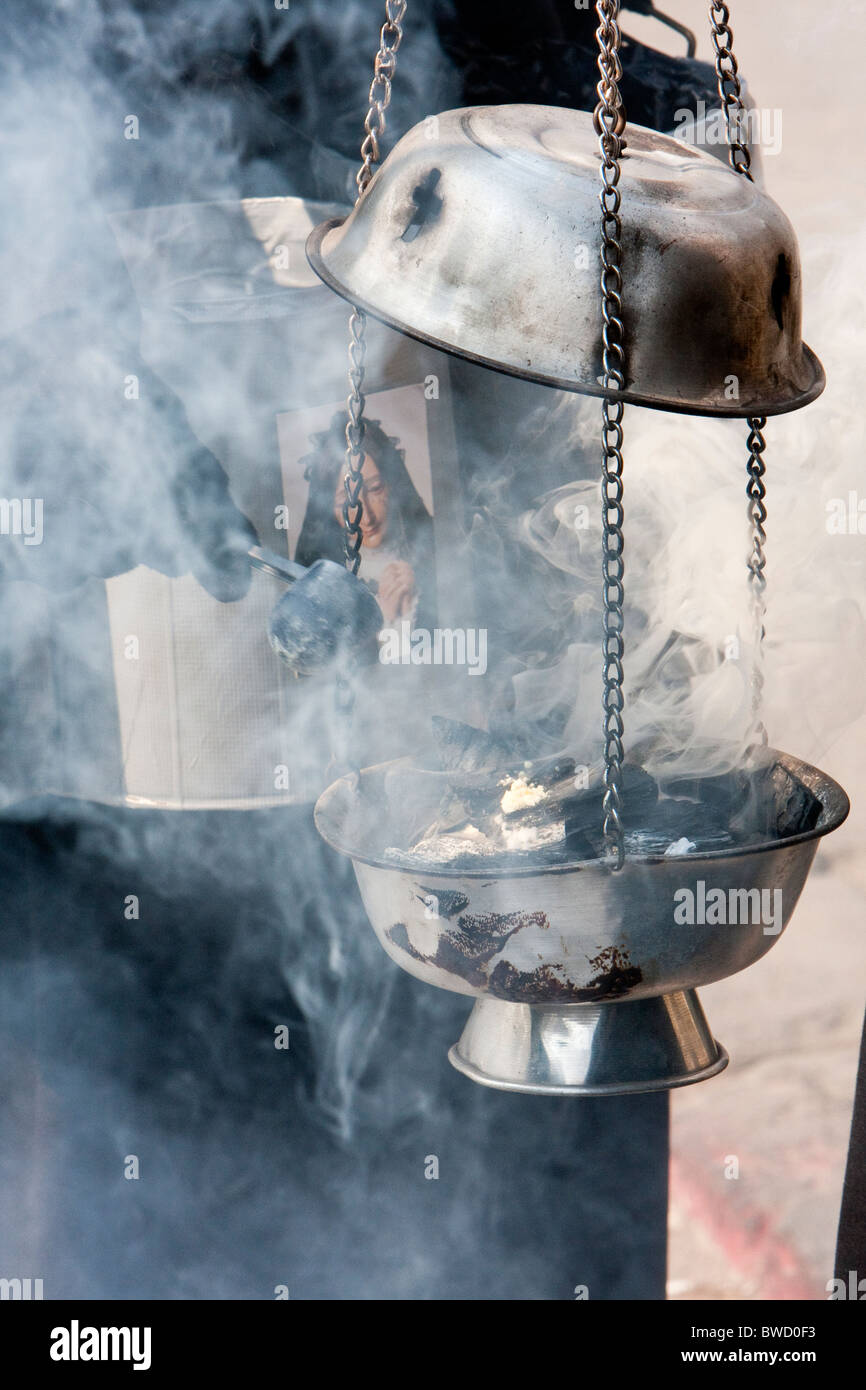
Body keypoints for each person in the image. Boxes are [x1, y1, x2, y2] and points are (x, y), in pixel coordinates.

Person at [295, 412, 436, 629]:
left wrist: (414, 608)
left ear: (393, 485)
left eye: (375, 489)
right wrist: (387, 620)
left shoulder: (438, 547)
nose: (366, 517)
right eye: (346, 503)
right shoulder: (321, 586)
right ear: (329, 511)